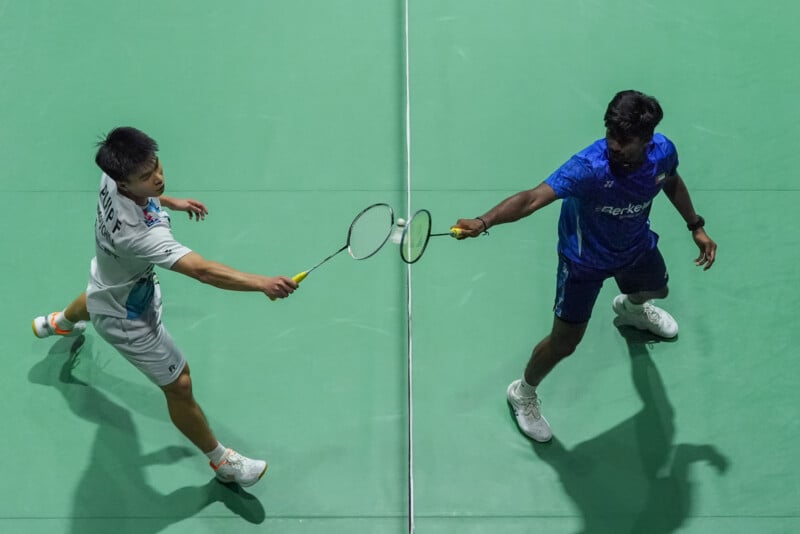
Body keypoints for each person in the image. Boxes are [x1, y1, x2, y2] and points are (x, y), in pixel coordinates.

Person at [32, 126, 298, 486]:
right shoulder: (138, 236)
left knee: (98, 292)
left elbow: (144, 194)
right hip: (128, 318)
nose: (158, 178)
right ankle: (223, 463)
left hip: (111, 280)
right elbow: (203, 271)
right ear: (124, 183)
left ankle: (59, 323)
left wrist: (170, 202)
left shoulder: (111, 173)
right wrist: (262, 284)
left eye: (157, 166)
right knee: (180, 385)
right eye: (147, 177)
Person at [453, 90, 717, 443]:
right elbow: (532, 198)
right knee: (565, 343)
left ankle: (631, 309)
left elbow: (670, 180)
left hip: (635, 247)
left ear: (647, 140)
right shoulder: (589, 168)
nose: (615, 145)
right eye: (611, 135)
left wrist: (695, 225)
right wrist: (484, 221)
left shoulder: (663, 153)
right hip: (584, 263)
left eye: (625, 140)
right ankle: (523, 392)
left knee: (657, 290)